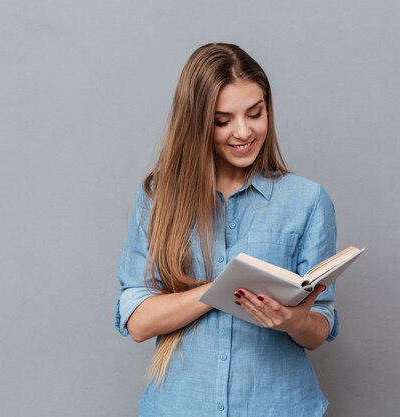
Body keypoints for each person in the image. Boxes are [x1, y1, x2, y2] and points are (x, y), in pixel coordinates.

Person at [115, 43, 339, 417]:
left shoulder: (307, 201)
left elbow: (321, 326)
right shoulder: (158, 199)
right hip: (179, 406)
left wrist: (296, 321)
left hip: (278, 407)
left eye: (255, 113)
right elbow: (138, 321)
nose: (243, 132)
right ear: (197, 122)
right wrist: (217, 291)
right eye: (222, 120)